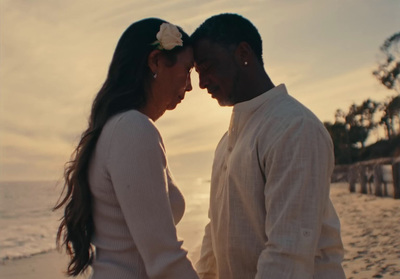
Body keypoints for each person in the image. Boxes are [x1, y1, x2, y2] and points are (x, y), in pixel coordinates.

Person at [191, 13, 346, 279]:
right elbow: (214, 232)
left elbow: (288, 253)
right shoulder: (226, 140)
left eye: (207, 67)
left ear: (243, 54)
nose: (202, 83)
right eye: (197, 73)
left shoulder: (294, 127)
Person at [54, 18, 199, 279]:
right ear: (155, 61)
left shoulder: (117, 128)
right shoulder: (133, 128)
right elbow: (165, 259)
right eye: (187, 69)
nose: (190, 86)